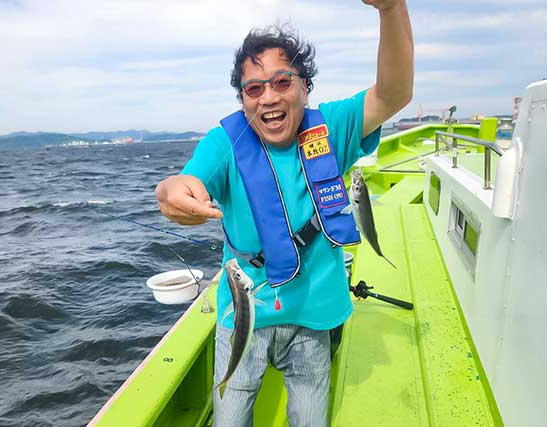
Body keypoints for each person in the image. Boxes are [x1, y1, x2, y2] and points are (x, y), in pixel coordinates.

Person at [156, 1, 413, 425]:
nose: (269, 97)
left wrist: (391, 9)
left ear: (305, 86)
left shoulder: (330, 128)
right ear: (242, 100)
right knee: (230, 417)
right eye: (253, 89)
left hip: (313, 316)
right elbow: (184, 182)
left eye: (282, 81)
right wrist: (170, 193)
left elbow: (394, 94)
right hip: (241, 315)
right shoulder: (225, 143)